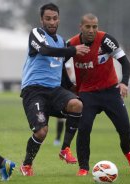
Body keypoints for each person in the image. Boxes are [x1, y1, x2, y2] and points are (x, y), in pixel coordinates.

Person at [19, 3, 90, 176]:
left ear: (59, 19)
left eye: (55, 18)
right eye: (48, 19)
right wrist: (73, 50)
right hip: (34, 90)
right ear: (41, 20)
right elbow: (44, 50)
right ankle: (26, 164)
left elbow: (60, 69)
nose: (52, 22)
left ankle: (65, 148)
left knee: (77, 105)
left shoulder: (61, 41)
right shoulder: (36, 34)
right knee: (42, 132)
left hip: (55, 90)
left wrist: (72, 88)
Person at [66, 13, 130, 176]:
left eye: (94, 27)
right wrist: (68, 86)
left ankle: (127, 151)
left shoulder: (106, 40)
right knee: (84, 129)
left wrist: (124, 82)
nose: (91, 30)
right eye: (88, 27)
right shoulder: (71, 44)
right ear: (81, 27)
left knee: (125, 130)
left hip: (110, 92)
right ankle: (83, 167)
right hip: (87, 94)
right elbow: (59, 65)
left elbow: (125, 62)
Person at [53, 62, 75, 146]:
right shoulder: (59, 81)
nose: (68, 71)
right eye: (67, 70)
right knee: (61, 119)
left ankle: (67, 141)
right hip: (61, 103)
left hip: (71, 105)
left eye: (69, 70)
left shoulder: (72, 83)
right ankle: (58, 139)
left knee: (72, 121)